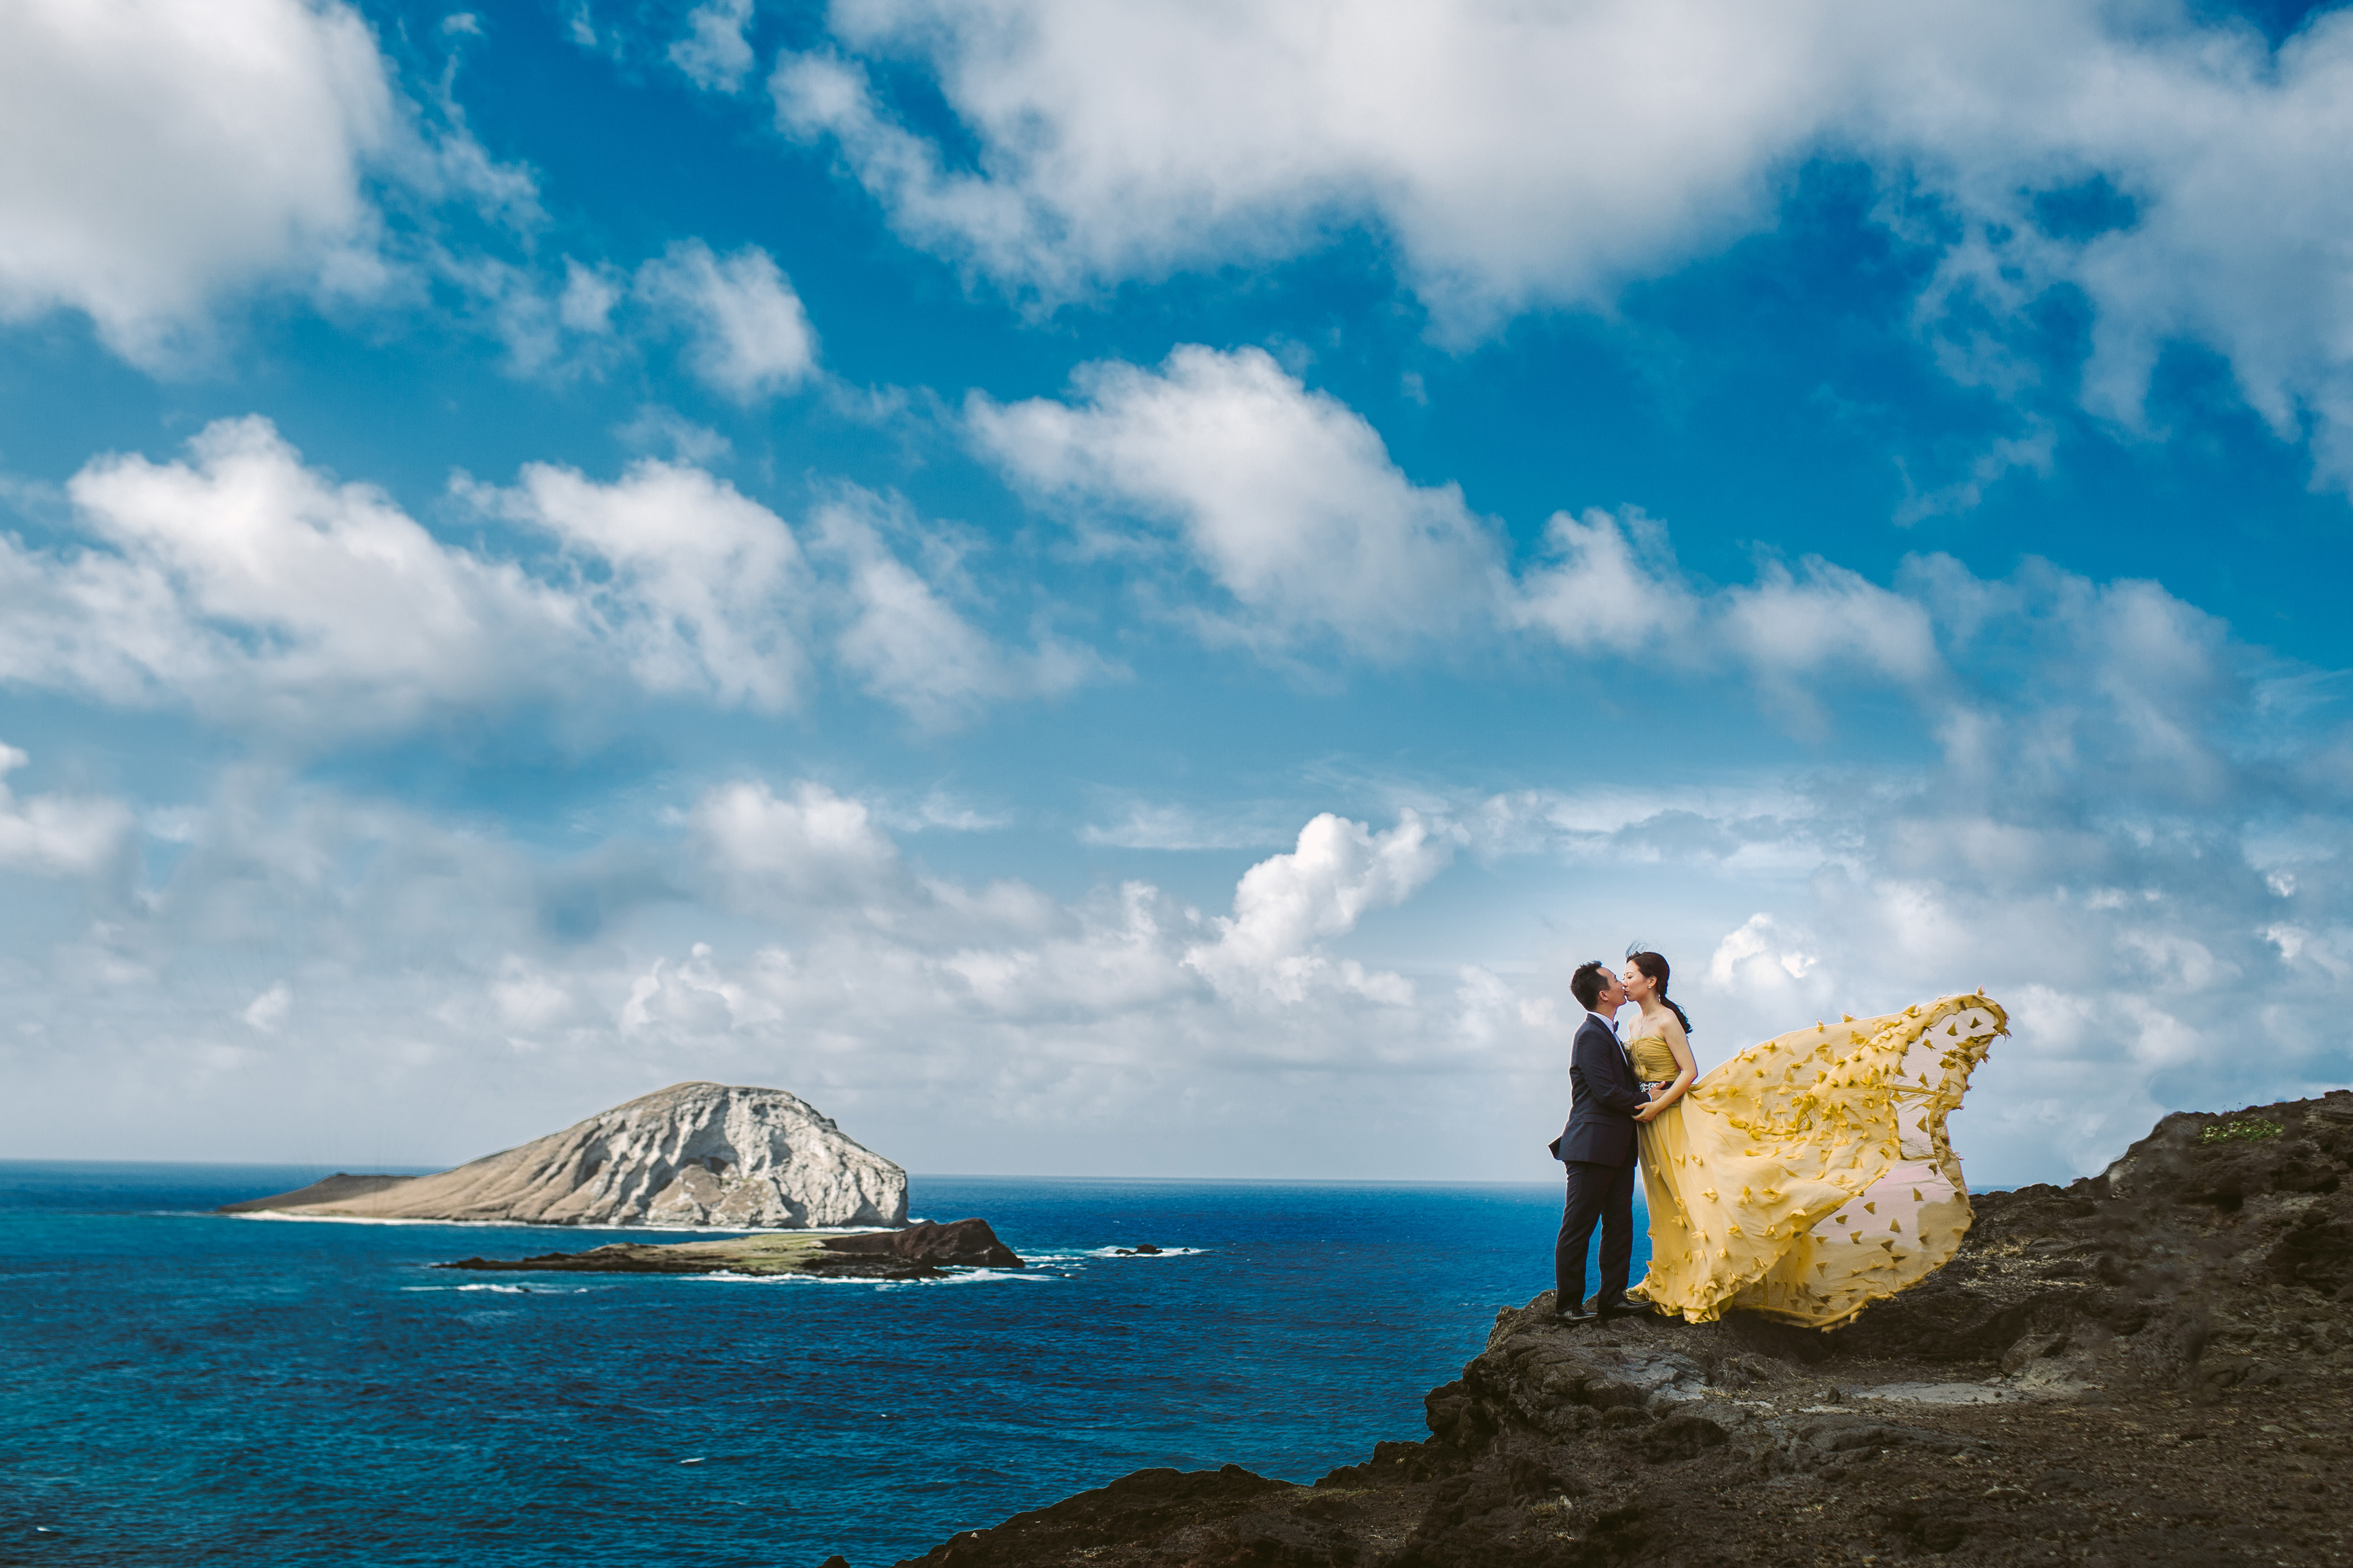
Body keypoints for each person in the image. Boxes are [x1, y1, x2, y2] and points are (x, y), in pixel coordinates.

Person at [1616, 949, 2009, 1327]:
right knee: (1670, 1202)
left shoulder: (1666, 1020)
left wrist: (1657, 1104)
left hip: (1674, 1116)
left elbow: (1689, 1072)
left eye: (1630, 975)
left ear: (1652, 981)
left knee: (1708, 1195)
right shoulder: (1633, 1024)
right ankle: (1678, 1278)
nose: (1624, 981)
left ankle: (1709, 1281)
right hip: (1651, 1122)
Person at [1546, 960, 1650, 1323]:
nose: (1623, 983)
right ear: (1603, 994)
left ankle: (1612, 1299)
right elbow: (1606, 1092)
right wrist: (1651, 1101)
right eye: (1615, 980)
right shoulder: (1590, 1034)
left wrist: (1652, 1091)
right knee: (1579, 1227)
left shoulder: (1608, 1033)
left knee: (1620, 1225)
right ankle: (1567, 1306)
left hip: (1618, 1147)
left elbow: (1618, 1087)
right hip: (1591, 1147)